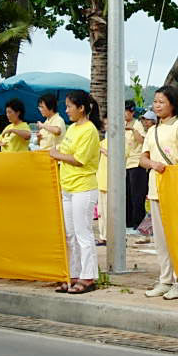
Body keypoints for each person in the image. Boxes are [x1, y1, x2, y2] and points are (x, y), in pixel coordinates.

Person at [140, 86, 178, 300]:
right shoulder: (152, 130)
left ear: (172, 104)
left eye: (161, 102)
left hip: (176, 191)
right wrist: (153, 164)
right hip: (155, 189)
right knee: (161, 240)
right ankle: (165, 280)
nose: (157, 106)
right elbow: (142, 159)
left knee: (177, 238)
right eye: (155, 102)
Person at [49, 90, 101, 294]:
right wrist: (55, 153)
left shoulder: (89, 130)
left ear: (81, 108)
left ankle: (88, 277)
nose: (67, 110)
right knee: (70, 234)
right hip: (68, 186)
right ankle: (74, 274)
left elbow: (79, 159)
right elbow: (63, 150)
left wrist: (57, 155)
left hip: (83, 187)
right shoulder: (72, 128)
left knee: (83, 233)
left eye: (70, 106)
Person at [125, 100, 148, 230]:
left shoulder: (137, 124)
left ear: (132, 112)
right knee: (127, 194)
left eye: (126, 111)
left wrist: (133, 130)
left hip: (136, 163)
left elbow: (142, 141)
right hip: (126, 163)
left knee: (137, 195)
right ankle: (128, 222)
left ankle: (138, 222)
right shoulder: (122, 124)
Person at [96, 115, 108, 246]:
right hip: (101, 179)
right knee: (101, 211)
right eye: (106, 124)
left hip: (112, 182)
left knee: (110, 212)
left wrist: (103, 150)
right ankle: (103, 236)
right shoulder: (103, 141)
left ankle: (111, 236)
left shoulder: (121, 140)